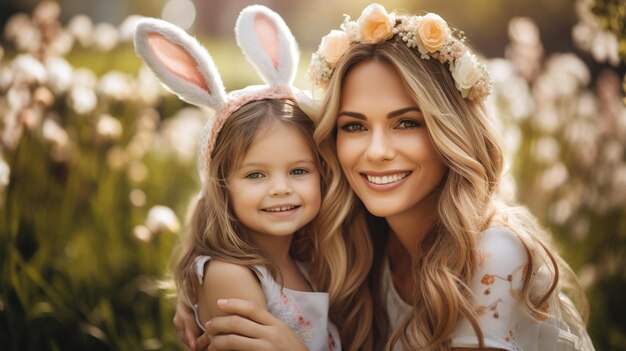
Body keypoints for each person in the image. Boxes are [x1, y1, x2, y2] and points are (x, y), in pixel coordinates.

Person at [175, 3, 596, 351]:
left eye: (406, 123)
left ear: (449, 131)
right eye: (354, 126)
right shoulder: (359, 244)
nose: (376, 152)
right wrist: (207, 290)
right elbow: (251, 235)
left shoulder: (493, 254)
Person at [134, 6, 357, 351]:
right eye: (256, 175)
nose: (281, 188)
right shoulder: (231, 276)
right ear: (222, 187)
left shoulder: (305, 258)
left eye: (298, 170)